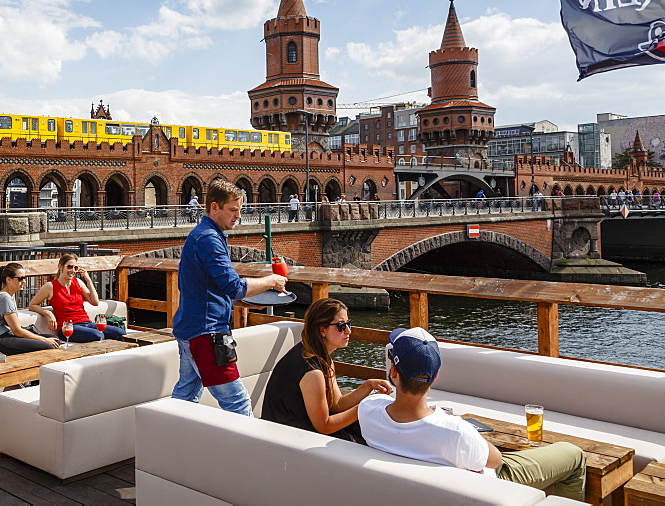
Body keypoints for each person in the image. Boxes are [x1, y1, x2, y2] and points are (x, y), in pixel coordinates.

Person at [358, 327, 586, 501]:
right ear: (436, 376)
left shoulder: (368, 409)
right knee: (574, 455)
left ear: (394, 371)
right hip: (490, 485)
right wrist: (464, 430)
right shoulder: (455, 431)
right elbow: (495, 461)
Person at [171, 179, 288, 416]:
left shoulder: (203, 235)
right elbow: (233, 286)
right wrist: (271, 281)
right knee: (238, 403)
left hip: (190, 329)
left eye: (240, 210)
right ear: (214, 207)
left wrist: (237, 300)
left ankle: (165, 445)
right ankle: (248, 452)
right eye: (233, 210)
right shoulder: (209, 239)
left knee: (185, 397)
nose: (238, 216)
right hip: (207, 333)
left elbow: (205, 286)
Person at [261, 298, 391, 440]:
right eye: (341, 326)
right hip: (286, 438)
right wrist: (363, 408)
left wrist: (368, 386)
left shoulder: (320, 356)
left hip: (300, 429)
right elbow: (324, 426)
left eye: (348, 323)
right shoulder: (312, 371)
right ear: (322, 330)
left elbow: (337, 404)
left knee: (372, 430)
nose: (348, 331)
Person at [29, 254, 126, 343]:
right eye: (70, 267)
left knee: (120, 332)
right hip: (68, 328)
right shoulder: (50, 286)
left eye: (75, 267)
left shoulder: (78, 282)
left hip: (87, 323)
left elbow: (95, 302)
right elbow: (32, 305)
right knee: (98, 335)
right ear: (60, 267)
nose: (73, 270)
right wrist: (49, 313)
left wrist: (88, 281)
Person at [0, 262, 60, 355]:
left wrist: (45, 339)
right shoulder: (4, 298)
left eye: (24, 278)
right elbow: (17, 331)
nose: (24, 281)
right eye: (20, 278)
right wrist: (44, 340)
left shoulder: (6, 296)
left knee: (54, 339)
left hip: (8, 335)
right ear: (9, 279)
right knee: (48, 346)